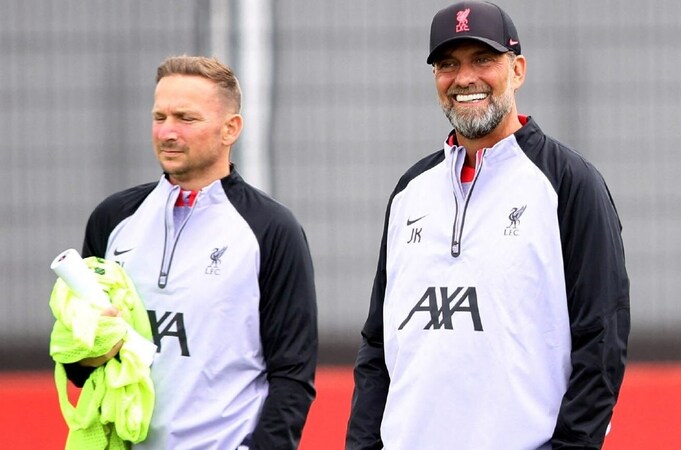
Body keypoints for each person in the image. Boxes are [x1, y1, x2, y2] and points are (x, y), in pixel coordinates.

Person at [345, 2, 630, 449]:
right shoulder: (410, 191)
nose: (464, 78)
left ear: (517, 70)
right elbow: (377, 345)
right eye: (447, 64)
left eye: (483, 60)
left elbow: (602, 341)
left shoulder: (568, 183)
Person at [63, 55, 318, 449]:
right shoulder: (112, 219)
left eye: (186, 118)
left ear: (230, 128)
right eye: (159, 116)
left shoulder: (272, 230)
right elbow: (78, 366)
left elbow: (292, 374)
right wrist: (90, 351)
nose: (167, 132)